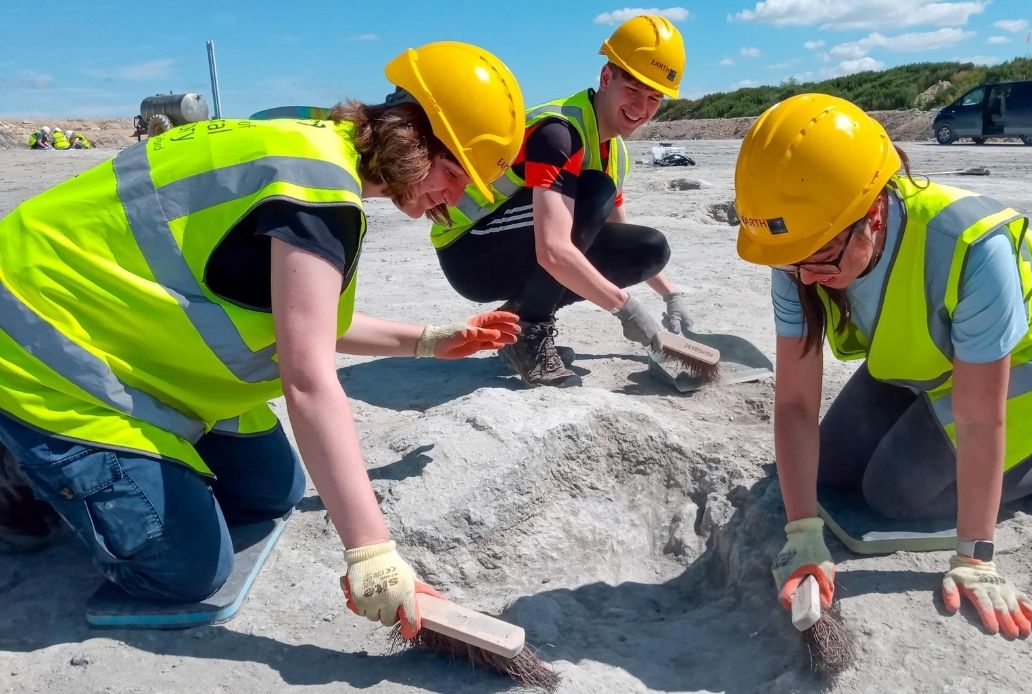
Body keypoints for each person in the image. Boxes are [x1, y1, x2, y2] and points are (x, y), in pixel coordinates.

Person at [0, 41, 525, 638]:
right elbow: (307, 379)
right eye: (454, 174)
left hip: (134, 346)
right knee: (186, 569)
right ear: (412, 136)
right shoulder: (317, 190)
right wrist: (371, 553)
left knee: (271, 490)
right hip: (39, 345)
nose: (453, 200)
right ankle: (18, 463)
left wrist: (430, 340)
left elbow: (302, 319)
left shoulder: (315, 151)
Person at [734, 94, 1032, 639]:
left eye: (820, 260)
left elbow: (980, 419)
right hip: (937, 350)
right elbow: (794, 403)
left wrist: (975, 557)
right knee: (829, 471)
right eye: (792, 262)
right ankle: (956, 426)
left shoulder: (971, 247)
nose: (805, 278)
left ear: (874, 215)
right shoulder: (797, 249)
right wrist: (802, 534)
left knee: (896, 491)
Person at [429, 14, 691, 386]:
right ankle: (529, 332)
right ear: (605, 78)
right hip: (470, 250)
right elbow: (553, 250)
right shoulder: (560, 132)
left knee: (648, 249)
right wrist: (626, 309)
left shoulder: (615, 152)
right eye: (632, 89)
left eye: (654, 98)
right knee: (593, 191)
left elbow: (619, 233)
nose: (641, 107)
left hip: (511, 245)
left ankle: (516, 322)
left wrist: (671, 296)